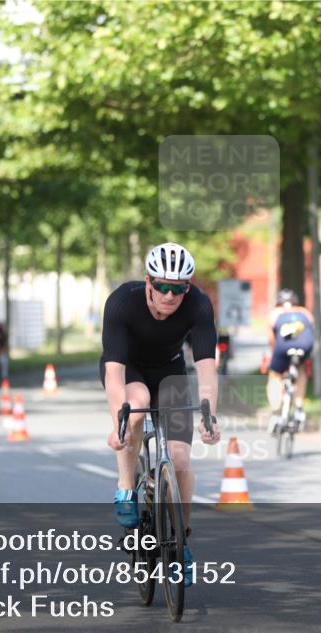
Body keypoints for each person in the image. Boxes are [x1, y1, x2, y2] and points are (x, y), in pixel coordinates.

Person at [100, 242, 221, 586]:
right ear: (149, 282)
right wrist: (118, 425)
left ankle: (181, 540)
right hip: (130, 370)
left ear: (188, 287)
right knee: (135, 407)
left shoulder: (198, 305)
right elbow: (114, 373)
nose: (170, 295)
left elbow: (207, 368)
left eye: (178, 288)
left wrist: (209, 414)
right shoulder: (123, 301)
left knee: (181, 460)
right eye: (163, 286)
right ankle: (126, 486)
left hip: (170, 373)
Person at [265, 288, 315, 433]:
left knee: (275, 375)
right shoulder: (305, 312)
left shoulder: (275, 314)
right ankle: (299, 408)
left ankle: (275, 412)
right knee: (300, 371)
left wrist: (275, 355)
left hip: (283, 347)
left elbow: (272, 340)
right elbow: (311, 331)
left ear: (279, 303)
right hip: (304, 346)